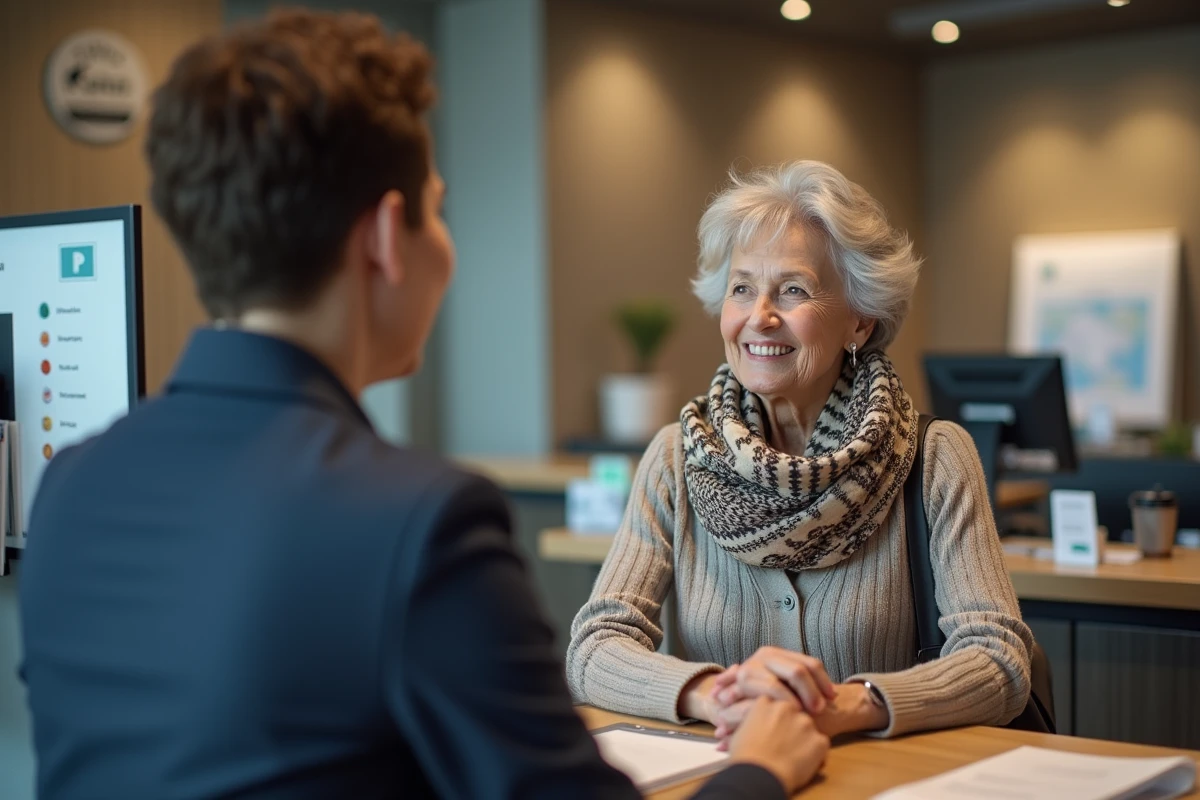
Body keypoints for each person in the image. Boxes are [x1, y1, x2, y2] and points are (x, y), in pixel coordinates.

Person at [17, 11, 830, 800]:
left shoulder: (72, 487)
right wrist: (757, 769)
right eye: (438, 211)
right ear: (384, 236)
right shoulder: (419, 523)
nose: (447, 246)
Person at [566, 161, 1034, 742]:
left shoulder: (934, 455)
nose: (759, 317)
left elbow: (1000, 658)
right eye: (742, 288)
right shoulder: (675, 459)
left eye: (793, 290)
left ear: (859, 322)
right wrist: (715, 695)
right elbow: (594, 647)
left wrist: (851, 705)